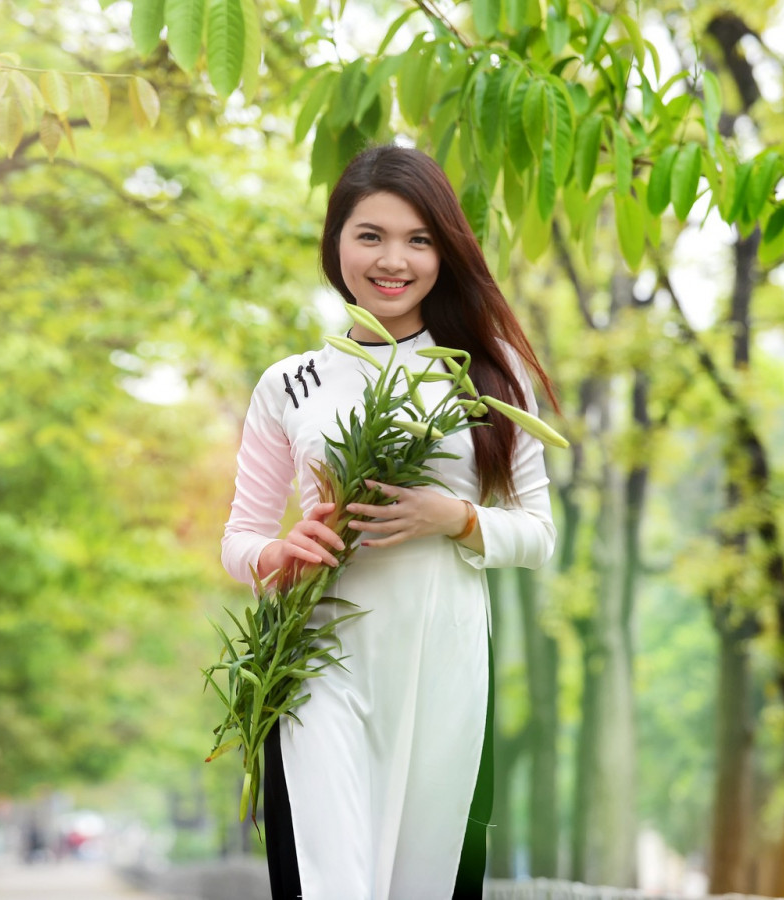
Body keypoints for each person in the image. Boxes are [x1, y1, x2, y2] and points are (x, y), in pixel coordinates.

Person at [220, 144, 561, 900]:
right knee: (330, 881)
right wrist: (279, 552)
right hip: (319, 666)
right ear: (336, 241)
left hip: (442, 664)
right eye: (369, 235)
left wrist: (455, 518)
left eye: (418, 239)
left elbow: (538, 534)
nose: (392, 261)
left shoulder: (488, 376)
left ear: (445, 249)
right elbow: (238, 541)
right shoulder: (291, 383)